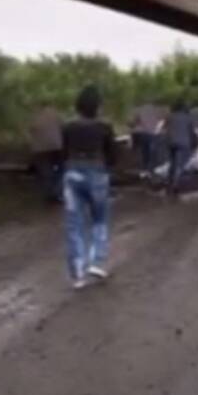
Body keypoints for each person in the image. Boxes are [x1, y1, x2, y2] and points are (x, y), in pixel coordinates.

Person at [61, 85, 117, 290]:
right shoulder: (105, 127)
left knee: (74, 224)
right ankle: (97, 263)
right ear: (97, 106)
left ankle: (77, 275)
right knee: (99, 219)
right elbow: (112, 154)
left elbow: (63, 151)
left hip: (72, 173)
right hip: (97, 173)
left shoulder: (68, 126)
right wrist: (109, 169)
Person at [28, 103, 64, 204]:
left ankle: (49, 195)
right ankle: (56, 192)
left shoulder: (35, 116)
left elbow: (31, 130)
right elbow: (63, 128)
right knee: (62, 169)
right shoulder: (56, 114)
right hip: (57, 146)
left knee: (46, 173)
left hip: (39, 149)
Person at [165, 100, 197, 196]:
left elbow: (166, 128)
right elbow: (191, 132)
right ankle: (175, 184)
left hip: (170, 143)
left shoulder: (170, 116)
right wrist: (193, 143)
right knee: (180, 164)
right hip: (183, 143)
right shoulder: (188, 118)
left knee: (172, 163)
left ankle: (169, 182)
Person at [129, 103, 162, 178]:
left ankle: (145, 169)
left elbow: (135, 122)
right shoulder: (156, 110)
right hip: (152, 133)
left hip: (143, 133)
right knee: (152, 152)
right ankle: (151, 170)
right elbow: (160, 120)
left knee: (145, 152)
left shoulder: (139, 110)